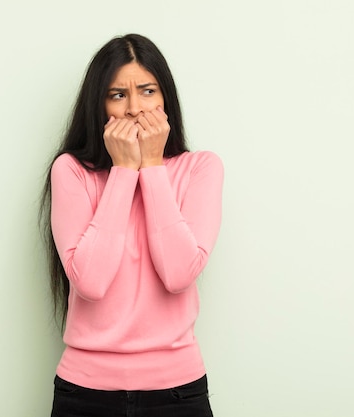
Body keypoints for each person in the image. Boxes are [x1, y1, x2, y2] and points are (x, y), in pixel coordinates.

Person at [39, 33, 223, 417]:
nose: (135, 108)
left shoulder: (201, 168)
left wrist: (152, 167)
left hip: (177, 394)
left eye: (147, 91)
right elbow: (91, 282)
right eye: (118, 95)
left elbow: (177, 275)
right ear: (99, 104)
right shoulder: (72, 171)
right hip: (84, 393)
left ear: (165, 98)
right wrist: (123, 170)